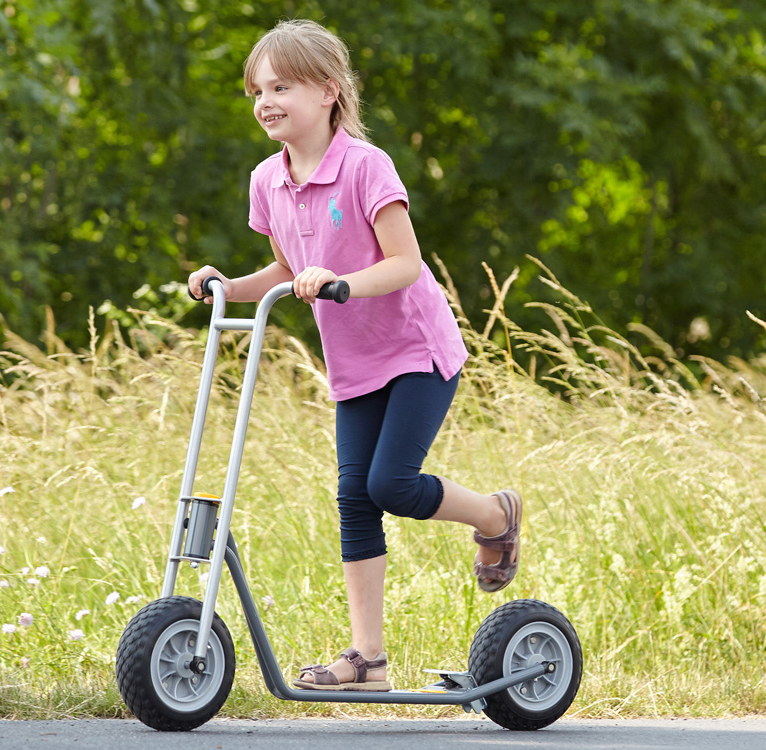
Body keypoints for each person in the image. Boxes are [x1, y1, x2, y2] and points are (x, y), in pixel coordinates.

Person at [186, 19, 523, 693]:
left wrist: (338, 283)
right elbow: (284, 271)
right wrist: (227, 284)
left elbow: (404, 263)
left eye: (281, 85)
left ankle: (493, 515)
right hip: (355, 363)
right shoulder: (266, 181)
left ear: (328, 92)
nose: (265, 101)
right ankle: (367, 661)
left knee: (389, 484)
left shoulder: (367, 167)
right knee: (353, 495)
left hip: (416, 350)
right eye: (258, 89)